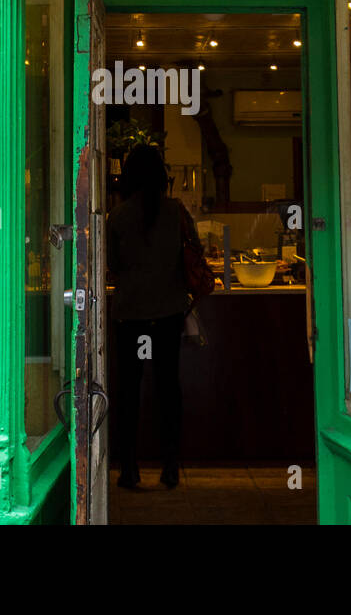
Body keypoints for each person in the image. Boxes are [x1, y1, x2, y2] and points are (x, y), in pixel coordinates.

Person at [106, 143, 200, 490]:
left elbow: (113, 266)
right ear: (161, 176)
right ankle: (171, 466)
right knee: (167, 389)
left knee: (128, 392)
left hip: (130, 315)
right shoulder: (176, 212)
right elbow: (195, 251)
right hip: (168, 313)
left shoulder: (117, 216)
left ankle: (129, 468)